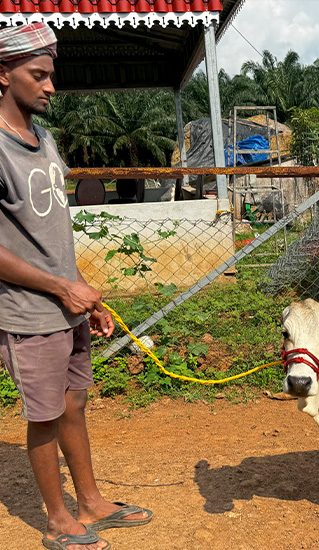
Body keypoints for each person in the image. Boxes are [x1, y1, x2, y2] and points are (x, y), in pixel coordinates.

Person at [0, 23, 152, 550]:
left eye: (51, 75)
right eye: (37, 75)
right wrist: (60, 289)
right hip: (26, 312)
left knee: (74, 404)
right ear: (3, 75)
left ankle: (90, 501)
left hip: (67, 305)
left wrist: (83, 291)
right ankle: (57, 519)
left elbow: (52, 230)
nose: (49, 86)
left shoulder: (44, 139)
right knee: (43, 417)